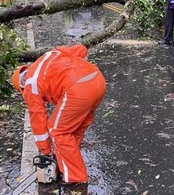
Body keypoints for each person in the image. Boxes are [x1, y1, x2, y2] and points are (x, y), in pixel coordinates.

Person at [12, 43, 106, 185]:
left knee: (58, 131)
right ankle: (67, 160)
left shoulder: (30, 85)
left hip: (77, 88)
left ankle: (75, 177)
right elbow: (81, 49)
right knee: (75, 128)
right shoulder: (49, 55)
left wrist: (46, 151)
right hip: (97, 80)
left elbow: (38, 118)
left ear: (22, 84)